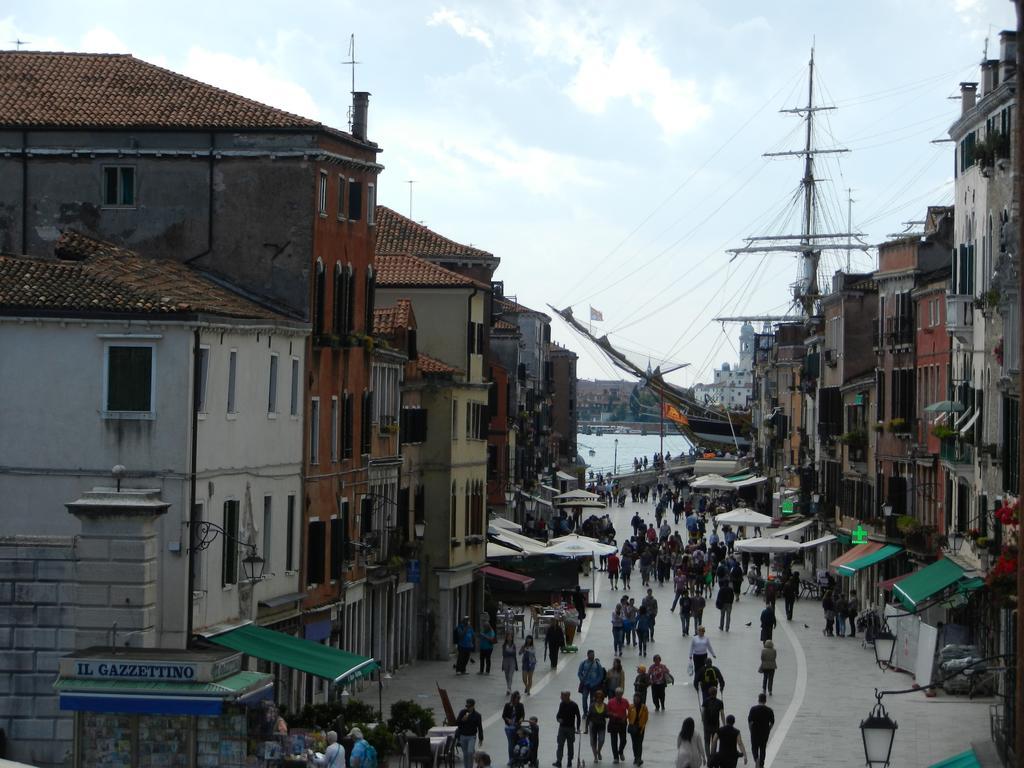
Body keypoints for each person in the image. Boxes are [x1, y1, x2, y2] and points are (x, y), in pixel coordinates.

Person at [554, 690, 581, 768]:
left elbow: (578, 716)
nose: (561, 697)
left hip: (570, 728)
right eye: (562, 696)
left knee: (570, 745)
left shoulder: (574, 705)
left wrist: (578, 728)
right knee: (560, 745)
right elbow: (558, 715)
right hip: (562, 728)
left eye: (563, 696)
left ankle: (569, 761)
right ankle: (559, 761)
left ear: (568, 696)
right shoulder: (562, 704)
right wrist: (558, 719)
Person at [577, 651, 605, 726]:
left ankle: (590, 712)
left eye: (593, 655)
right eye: (591, 655)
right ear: (588, 655)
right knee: (584, 698)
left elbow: (600, 675)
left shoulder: (597, 664)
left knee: (592, 699)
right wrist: (582, 680)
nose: (592, 656)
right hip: (586, 685)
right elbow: (579, 673)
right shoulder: (583, 663)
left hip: (594, 685)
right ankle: (585, 712)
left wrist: (595, 683)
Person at [747, 693, 774, 768]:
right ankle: (761, 764)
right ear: (765, 700)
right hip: (764, 732)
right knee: (763, 748)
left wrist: (751, 730)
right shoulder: (769, 710)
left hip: (755, 731)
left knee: (754, 747)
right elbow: (772, 722)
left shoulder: (753, 709)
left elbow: (750, 721)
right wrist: (769, 729)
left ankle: (756, 758)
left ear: (758, 700)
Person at [454, 700, 484, 768]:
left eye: (469, 706)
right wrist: (462, 720)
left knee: (470, 752)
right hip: (463, 736)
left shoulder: (477, 715)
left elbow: (480, 727)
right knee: (465, 754)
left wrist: (481, 738)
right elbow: (457, 723)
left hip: (472, 736)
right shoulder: (462, 712)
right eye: (467, 706)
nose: (468, 708)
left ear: (473, 706)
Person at [699, 687, 725, 757]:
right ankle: (713, 757)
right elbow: (722, 714)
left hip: (707, 725)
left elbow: (703, 712)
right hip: (716, 724)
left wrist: (702, 720)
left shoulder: (705, 701)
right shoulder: (720, 702)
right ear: (716, 693)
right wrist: (724, 724)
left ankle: (708, 758)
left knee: (707, 742)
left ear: (709, 693)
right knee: (714, 741)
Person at [606, 687, 629, 764]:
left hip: (622, 722)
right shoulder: (610, 702)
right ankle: (615, 757)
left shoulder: (625, 701)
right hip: (613, 722)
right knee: (614, 741)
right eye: (617, 694)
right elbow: (607, 713)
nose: (619, 695)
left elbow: (630, 710)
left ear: (622, 694)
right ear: (615, 694)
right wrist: (612, 714)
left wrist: (626, 717)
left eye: (620, 694)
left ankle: (620, 751)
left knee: (623, 740)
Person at [587, 690, 609, 763]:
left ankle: (598, 751)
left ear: (602, 698)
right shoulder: (592, 705)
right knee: (593, 741)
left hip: (601, 725)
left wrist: (611, 714)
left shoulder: (605, 706)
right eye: (597, 697)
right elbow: (588, 716)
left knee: (601, 740)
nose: (599, 699)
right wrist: (586, 727)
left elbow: (606, 715)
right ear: (595, 698)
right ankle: (595, 757)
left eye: (600, 697)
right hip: (593, 725)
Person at [627, 692, 649, 766]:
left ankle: (639, 758)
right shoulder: (631, 707)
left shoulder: (644, 707)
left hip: (640, 728)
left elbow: (646, 718)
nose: (636, 699)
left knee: (639, 743)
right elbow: (629, 716)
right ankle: (636, 757)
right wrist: (631, 723)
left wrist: (642, 726)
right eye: (635, 698)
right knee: (634, 743)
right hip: (633, 727)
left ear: (640, 699)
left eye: (637, 698)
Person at [503, 692, 526, 763]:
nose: (518, 700)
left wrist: (521, 719)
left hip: (517, 726)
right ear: (513, 698)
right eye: (517, 698)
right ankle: (511, 759)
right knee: (511, 743)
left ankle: (517, 758)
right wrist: (508, 719)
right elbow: (503, 715)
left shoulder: (520, 705)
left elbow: (522, 714)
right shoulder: (507, 705)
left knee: (517, 743)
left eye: (519, 698)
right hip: (509, 727)